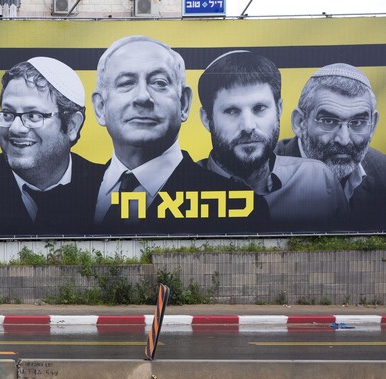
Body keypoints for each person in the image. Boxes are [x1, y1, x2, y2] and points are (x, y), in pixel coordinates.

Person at [92, 35, 265, 235]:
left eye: (159, 82)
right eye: (126, 83)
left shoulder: (243, 207)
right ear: (100, 107)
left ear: (184, 103)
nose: (142, 97)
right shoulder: (63, 198)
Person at [197, 50, 348, 231]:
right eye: (231, 111)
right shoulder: (179, 187)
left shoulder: (317, 180)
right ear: (207, 119)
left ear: (279, 109)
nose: (248, 126)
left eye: (259, 108)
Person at [0, 57, 103, 236]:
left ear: (72, 125)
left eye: (34, 115)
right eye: (7, 114)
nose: (16, 128)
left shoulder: (106, 187)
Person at [276, 63, 386, 231]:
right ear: (300, 122)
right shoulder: (259, 177)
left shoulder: (383, 174)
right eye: (328, 121)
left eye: (357, 123)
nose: (344, 139)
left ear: (373, 125)